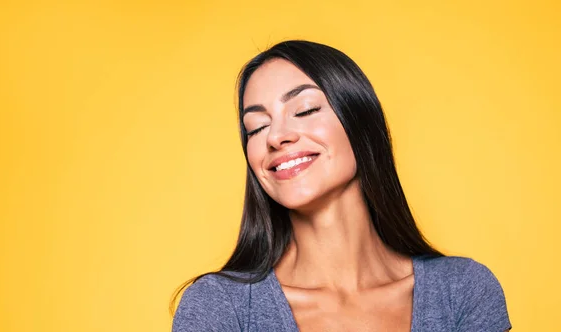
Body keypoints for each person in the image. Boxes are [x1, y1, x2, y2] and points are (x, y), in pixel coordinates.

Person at [170, 40, 511, 331]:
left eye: (304, 109)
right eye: (257, 127)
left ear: (359, 121)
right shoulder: (220, 307)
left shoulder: (463, 291)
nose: (276, 137)